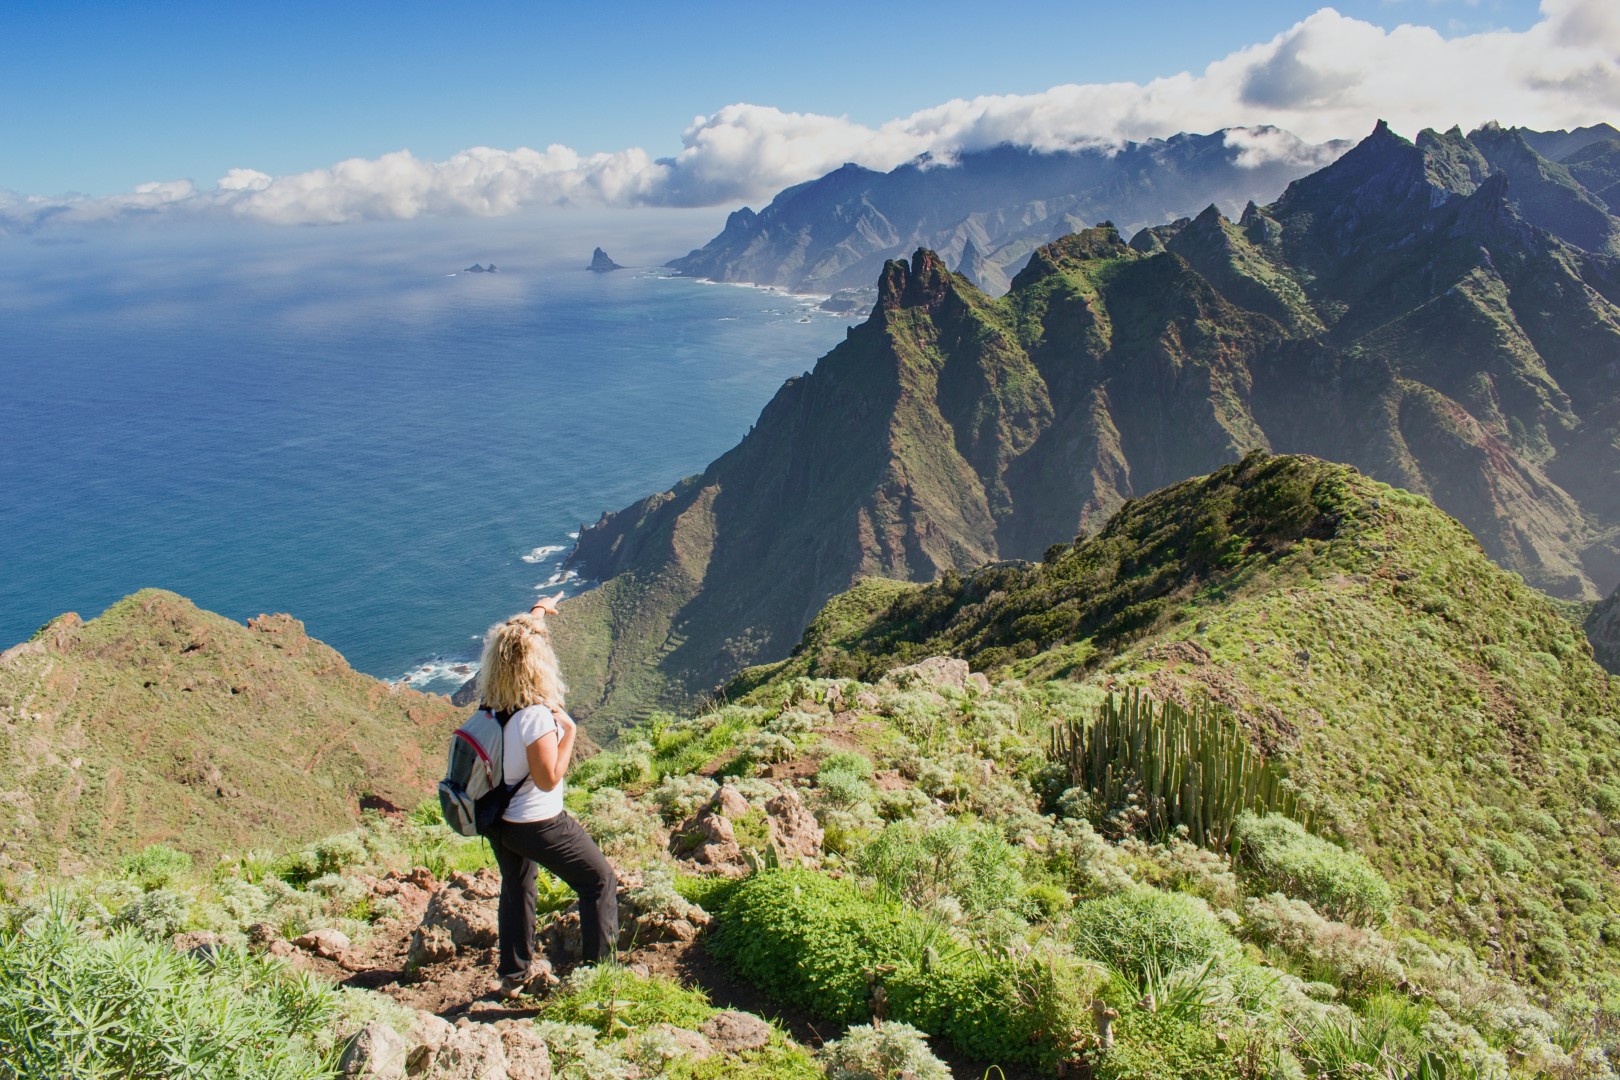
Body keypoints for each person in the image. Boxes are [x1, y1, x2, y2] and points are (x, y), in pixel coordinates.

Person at [475, 592, 617, 998]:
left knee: (517, 886)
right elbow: (549, 777)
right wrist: (568, 733)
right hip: (537, 822)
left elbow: (517, 640)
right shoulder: (535, 716)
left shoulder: (492, 705)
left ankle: (513, 975)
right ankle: (597, 978)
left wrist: (538, 612)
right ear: (537, 665)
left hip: (498, 821)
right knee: (598, 881)